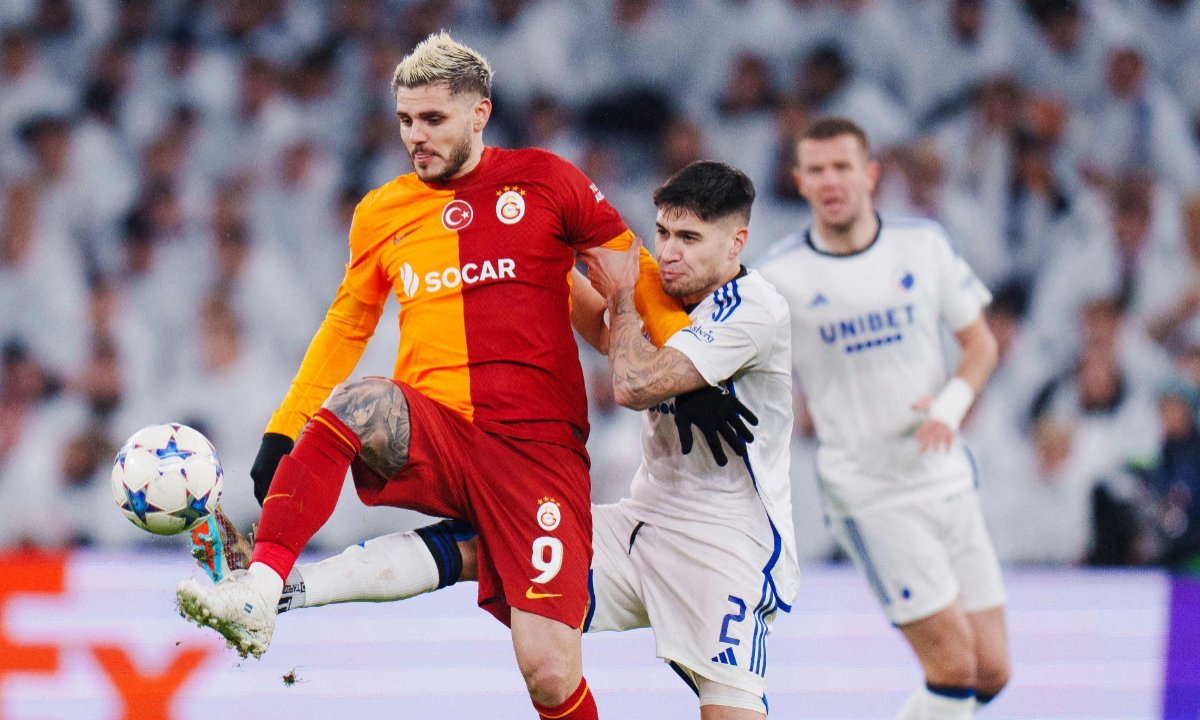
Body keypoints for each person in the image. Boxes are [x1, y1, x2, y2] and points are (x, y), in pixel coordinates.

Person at [175, 32, 696, 720]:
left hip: (538, 456)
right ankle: (260, 589)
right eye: (404, 120)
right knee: (360, 402)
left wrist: (697, 360)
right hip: (438, 431)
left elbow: (637, 279)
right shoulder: (383, 212)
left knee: (548, 671)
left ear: (479, 113)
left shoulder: (547, 182)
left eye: (432, 120)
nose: (414, 137)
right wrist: (283, 429)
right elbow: (346, 327)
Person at [193, 161, 797, 719]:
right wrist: (533, 262)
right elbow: (595, 323)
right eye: (662, 233)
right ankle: (278, 592)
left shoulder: (754, 308)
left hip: (726, 546)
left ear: (736, 243)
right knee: (493, 549)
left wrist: (621, 297)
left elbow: (632, 380)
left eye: (689, 240)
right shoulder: (660, 297)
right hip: (642, 524)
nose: (667, 253)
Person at [758, 117, 1009, 720]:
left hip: (945, 475)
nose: (830, 180)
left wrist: (949, 406)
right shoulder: (778, 277)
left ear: (870, 174)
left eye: (842, 166)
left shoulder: (922, 246)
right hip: (871, 492)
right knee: (953, 670)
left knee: (992, 673)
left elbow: (981, 346)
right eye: (816, 170)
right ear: (799, 182)